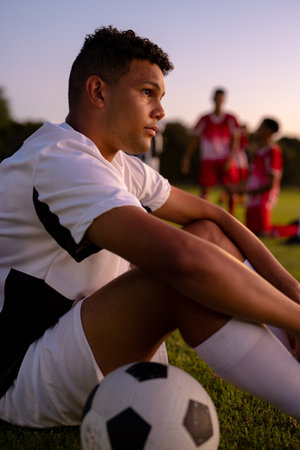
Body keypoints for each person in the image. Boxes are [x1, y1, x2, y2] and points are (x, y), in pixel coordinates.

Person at [1, 26, 300, 429]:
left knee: (205, 235)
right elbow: (182, 260)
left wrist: (294, 297)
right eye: (147, 92)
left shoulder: (121, 165)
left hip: (81, 336)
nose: (159, 110)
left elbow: (217, 219)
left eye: (161, 97)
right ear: (98, 91)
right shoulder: (59, 158)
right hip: (23, 372)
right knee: (175, 272)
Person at [181, 88, 240, 214]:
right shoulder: (204, 119)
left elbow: (236, 140)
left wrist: (230, 158)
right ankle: (204, 216)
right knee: (204, 189)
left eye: (221, 98)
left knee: (230, 189)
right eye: (217, 98)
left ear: (224, 100)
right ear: (213, 98)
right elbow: (194, 140)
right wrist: (186, 157)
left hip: (225, 158)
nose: (219, 101)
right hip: (208, 159)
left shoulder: (230, 118)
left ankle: (232, 217)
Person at [240, 118, 282, 236]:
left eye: (261, 127)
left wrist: (249, 191)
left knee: (263, 233)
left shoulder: (273, 151)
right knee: (249, 232)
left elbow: (271, 183)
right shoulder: (258, 151)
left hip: (264, 199)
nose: (258, 129)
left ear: (269, 131)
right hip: (253, 199)